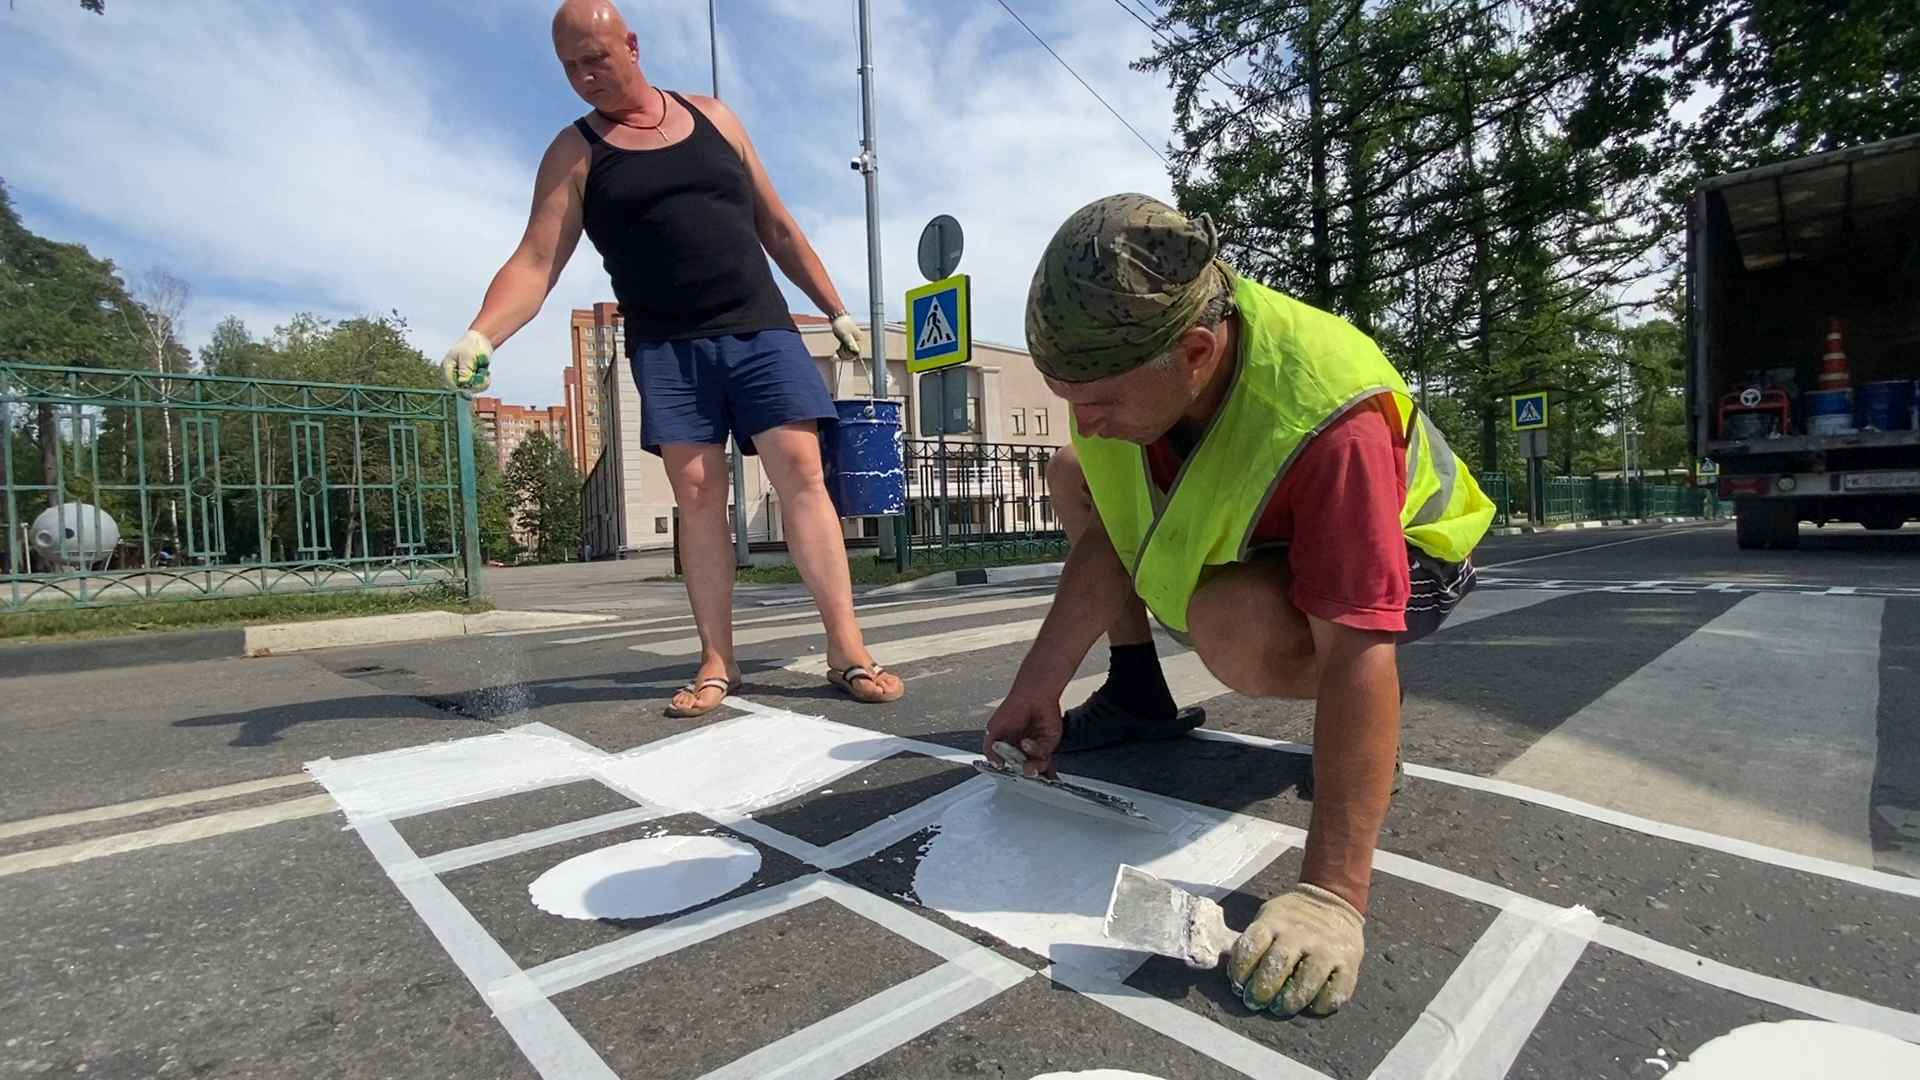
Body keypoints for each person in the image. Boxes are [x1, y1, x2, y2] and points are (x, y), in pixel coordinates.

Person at [985, 194, 1494, 1018]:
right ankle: (1139, 695)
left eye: (1100, 403)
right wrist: (1037, 684)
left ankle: (1370, 740)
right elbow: (1114, 533)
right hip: (1275, 537)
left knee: (1236, 625)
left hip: (1411, 556)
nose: (1087, 422)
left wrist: (1331, 894)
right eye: (1069, 398)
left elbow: (1356, 647)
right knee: (1072, 471)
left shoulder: (1331, 413)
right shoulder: (1138, 377)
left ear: (1194, 353)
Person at [443, 0, 904, 716]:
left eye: (596, 57)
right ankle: (719, 659)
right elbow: (535, 261)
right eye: (570, 66)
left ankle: (847, 649)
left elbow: (778, 226)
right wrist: (481, 334)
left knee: (803, 472)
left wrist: (835, 307)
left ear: (631, 45)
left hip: (760, 328)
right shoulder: (575, 153)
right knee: (697, 495)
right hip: (668, 346)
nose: (584, 75)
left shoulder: (716, 118)